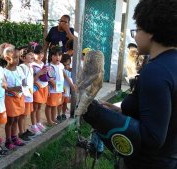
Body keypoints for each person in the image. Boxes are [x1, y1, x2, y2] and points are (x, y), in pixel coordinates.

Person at [83, 0, 177, 168]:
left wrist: (96, 114)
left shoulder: (155, 71)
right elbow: (163, 115)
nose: (135, 35)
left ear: (151, 31)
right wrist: (119, 111)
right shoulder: (171, 66)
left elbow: (152, 138)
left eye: (137, 29)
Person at [0, 43, 26, 150]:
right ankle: (8, 140)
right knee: (10, 120)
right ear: (7, 58)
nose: (17, 60)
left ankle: (14, 137)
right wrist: (13, 89)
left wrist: (23, 86)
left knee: (17, 118)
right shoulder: (3, 72)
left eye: (18, 57)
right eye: (15, 57)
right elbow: (3, 87)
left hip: (19, 97)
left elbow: (24, 82)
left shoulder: (20, 69)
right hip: (10, 98)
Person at [18, 44, 36, 141]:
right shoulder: (22, 67)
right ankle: (21, 132)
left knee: (25, 114)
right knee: (22, 115)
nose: (32, 56)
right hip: (24, 95)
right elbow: (22, 81)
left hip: (29, 94)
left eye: (33, 53)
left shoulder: (30, 66)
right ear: (22, 57)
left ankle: (24, 130)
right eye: (29, 54)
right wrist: (26, 91)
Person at [31, 45, 48, 134]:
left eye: (42, 53)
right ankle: (33, 125)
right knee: (34, 107)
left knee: (39, 107)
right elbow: (31, 80)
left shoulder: (42, 64)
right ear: (33, 54)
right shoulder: (32, 65)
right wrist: (39, 73)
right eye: (37, 53)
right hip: (36, 88)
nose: (40, 55)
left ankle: (38, 122)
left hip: (43, 88)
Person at [57, 54, 72, 122]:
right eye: (65, 65)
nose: (66, 66)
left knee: (65, 103)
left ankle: (63, 113)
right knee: (60, 103)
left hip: (67, 89)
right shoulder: (61, 70)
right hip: (61, 89)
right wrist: (73, 86)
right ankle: (58, 115)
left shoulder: (70, 71)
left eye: (68, 64)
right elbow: (66, 78)